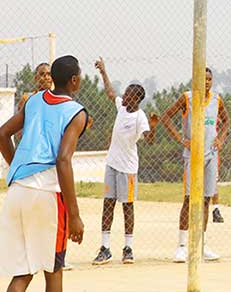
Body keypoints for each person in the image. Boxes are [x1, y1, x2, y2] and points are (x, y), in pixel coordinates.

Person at [0, 55, 87, 292]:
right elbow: (63, 160)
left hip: (17, 192)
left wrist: (19, 167)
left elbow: (2, 133)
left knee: (23, 273)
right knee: (53, 270)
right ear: (74, 81)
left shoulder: (34, 100)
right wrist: (75, 215)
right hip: (46, 194)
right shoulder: (76, 112)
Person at [157, 67, 230, 262]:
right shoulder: (187, 98)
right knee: (189, 199)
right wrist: (182, 139)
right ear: (196, 80)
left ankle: (201, 244)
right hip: (193, 154)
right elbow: (165, 117)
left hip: (210, 154)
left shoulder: (217, 99)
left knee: (206, 199)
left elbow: (226, 121)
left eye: (209, 79)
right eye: (203, 79)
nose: (206, 82)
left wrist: (220, 139)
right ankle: (182, 245)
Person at [91, 58, 157, 265]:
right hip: (112, 164)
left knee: (127, 206)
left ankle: (128, 248)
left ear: (137, 99)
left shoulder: (140, 117)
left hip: (128, 168)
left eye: (129, 94)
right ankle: (105, 247)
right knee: (107, 204)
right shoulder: (121, 107)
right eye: (126, 93)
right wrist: (103, 72)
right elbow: (111, 92)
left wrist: (153, 127)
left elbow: (149, 141)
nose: (125, 96)